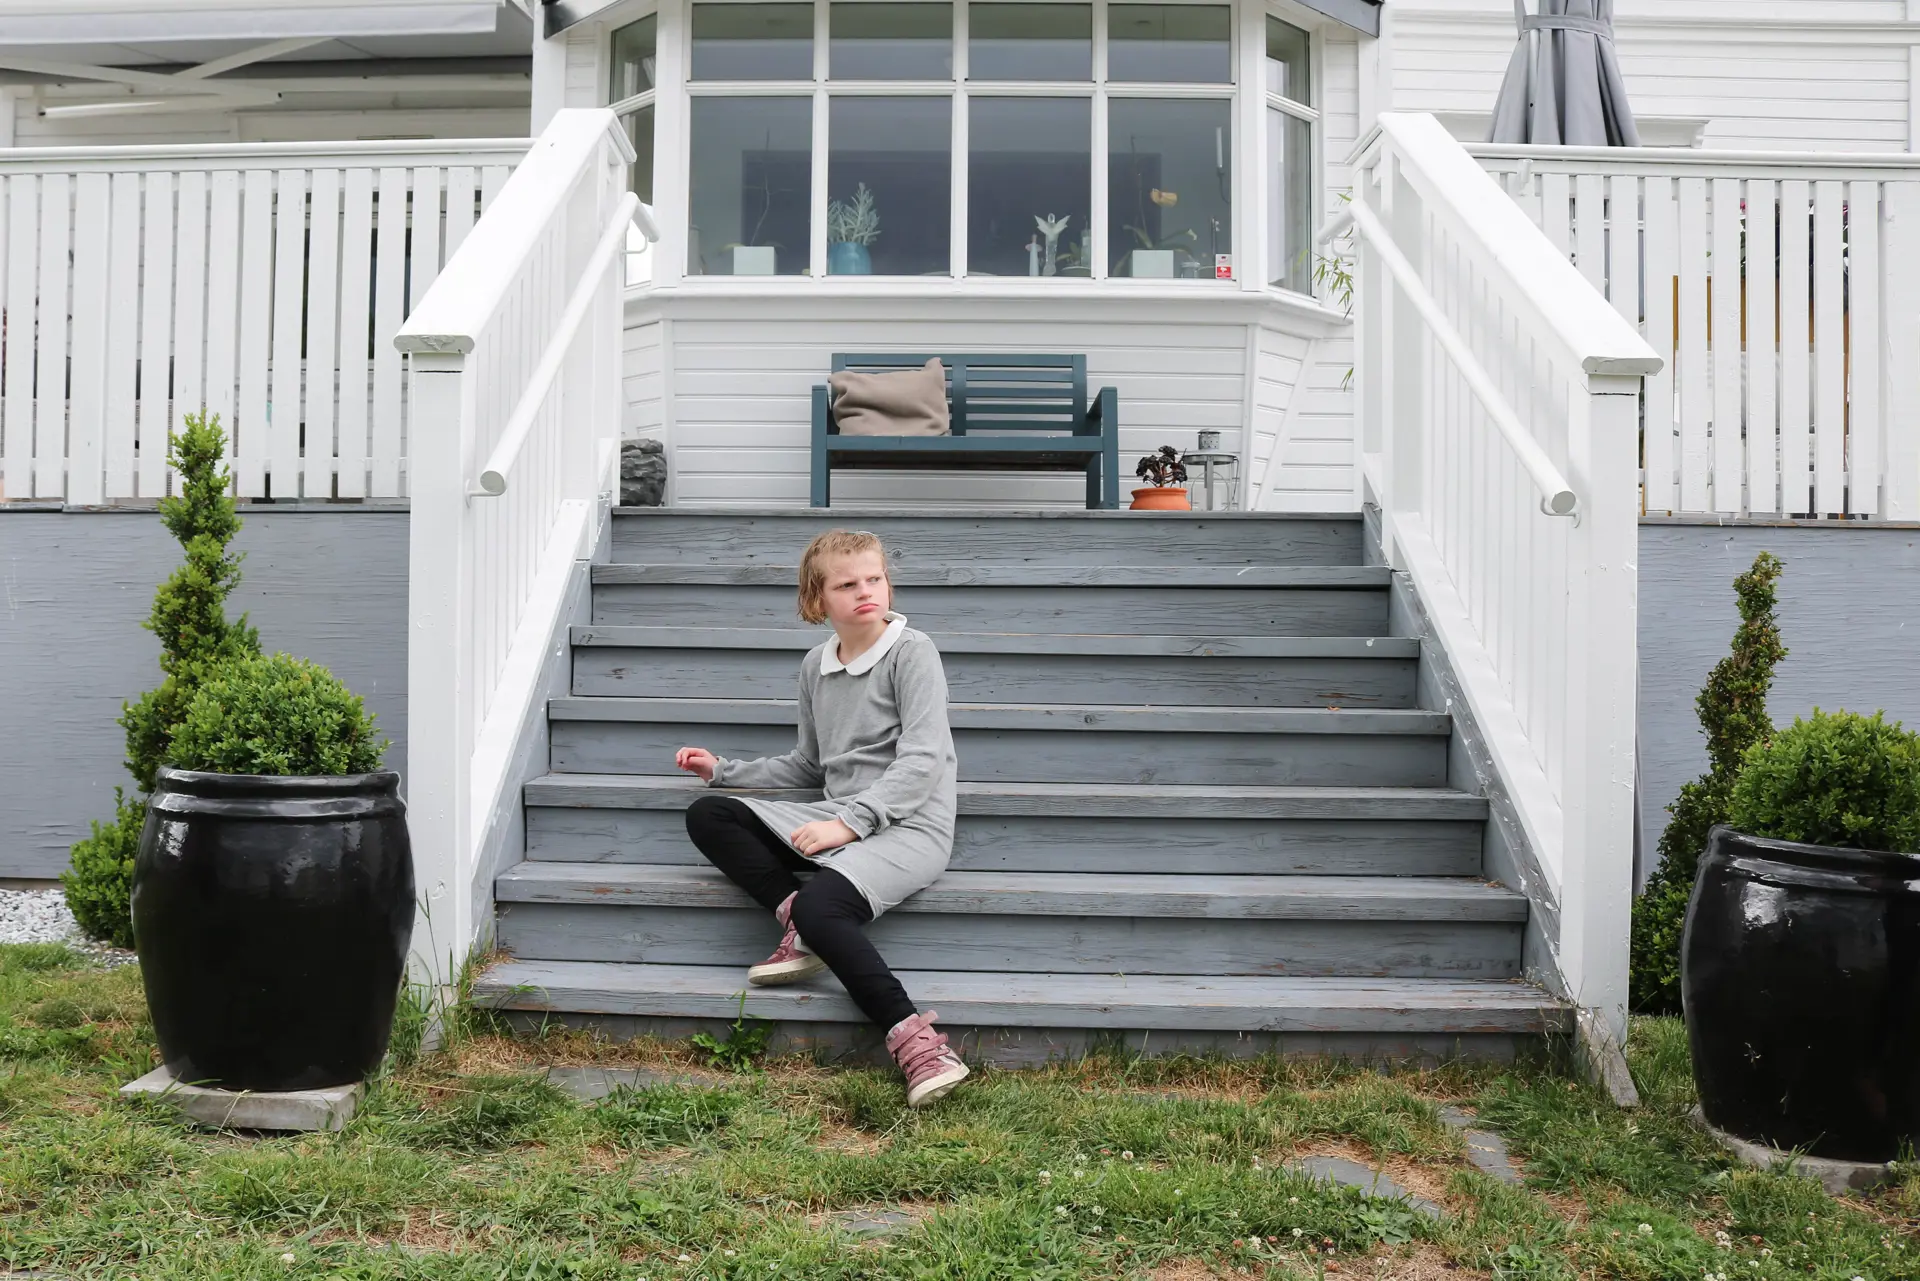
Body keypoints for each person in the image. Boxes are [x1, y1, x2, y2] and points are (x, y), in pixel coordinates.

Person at [674, 529, 968, 1107]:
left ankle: (920, 1045)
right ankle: (800, 930)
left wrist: (851, 825)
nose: (866, 592)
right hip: (842, 815)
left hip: (910, 823)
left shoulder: (913, 652)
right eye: (847, 584)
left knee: (821, 905)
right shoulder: (817, 665)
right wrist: (723, 770)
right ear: (817, 600)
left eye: (874, 579)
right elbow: (811, 763)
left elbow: (922, 760)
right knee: (711, 816)